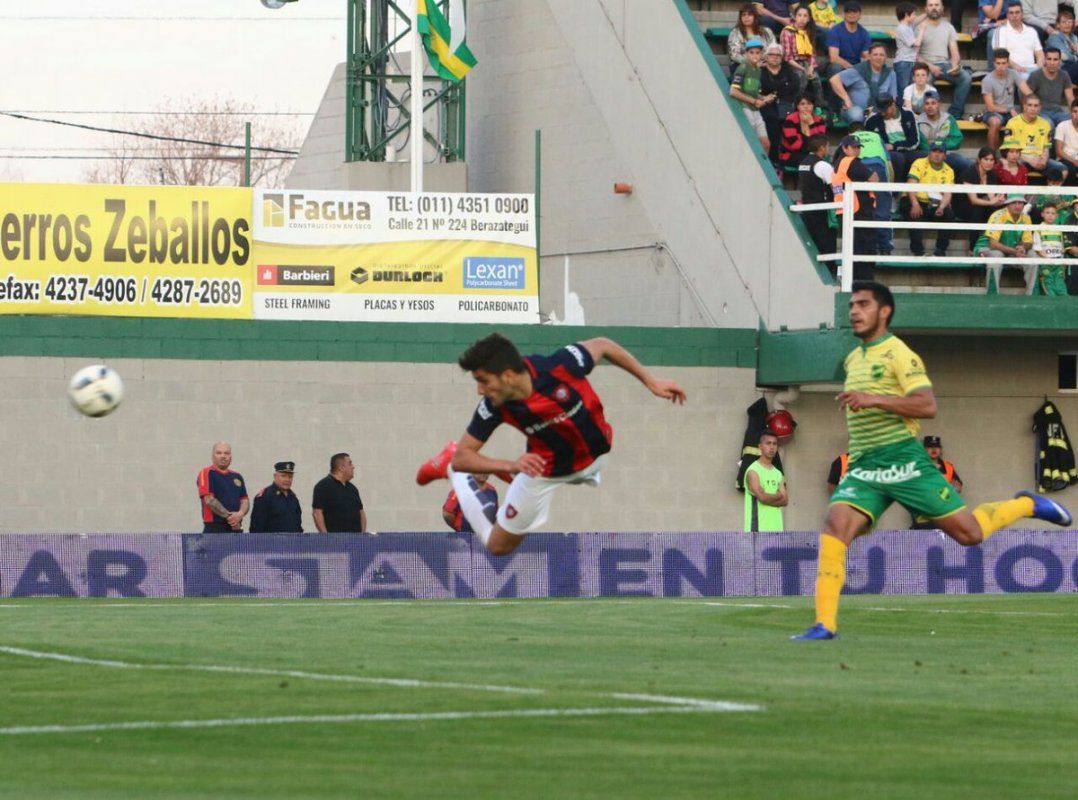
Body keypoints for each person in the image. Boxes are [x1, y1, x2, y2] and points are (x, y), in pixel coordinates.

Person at [792, 282, 1072, 640]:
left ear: (885, 311)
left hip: (904, 460)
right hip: (864, 464)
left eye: (863, 304)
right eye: (851, 305)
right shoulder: (853, 358)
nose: (854, 311)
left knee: (969, 534)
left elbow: (927, 406)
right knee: (834, 525)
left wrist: (873, 399)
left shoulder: (900, 354)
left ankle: (1025, 505)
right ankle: (824, 624)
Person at [415, 333, 686, 556]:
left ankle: (508, 474)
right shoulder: (493, 407)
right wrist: (509, 464)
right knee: (497, 547)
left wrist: (650, 381)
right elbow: (464, 457)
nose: (480, 390)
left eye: (483, 381)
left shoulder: (560, 366)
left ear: (508, 375)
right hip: (544, 470)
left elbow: (603, 345)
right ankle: (451, 471)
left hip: (593, 458)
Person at [915, 0, 973, 120]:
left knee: (965, 78)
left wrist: (955, 65)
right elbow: (914, 55)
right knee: (924, 81)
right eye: (930, 5)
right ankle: (926, 116)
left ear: (942, 8)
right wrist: (930, 67)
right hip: (924, 65)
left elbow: (954, 52)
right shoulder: (920, 27)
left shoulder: (949, 27)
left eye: (937, 5)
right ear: (926, 9)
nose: (934, 8)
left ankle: (954, 115)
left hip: (943, 64)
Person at [832, 134, 878, 278]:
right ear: (845, 148)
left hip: (844, 211)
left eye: (858, 147)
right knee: (864, 252)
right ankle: (865, 283)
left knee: (853, 251)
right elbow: (874, 178)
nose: (857, 150)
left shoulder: (837, 164)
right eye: (853, 147)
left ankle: (855, 282)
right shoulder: (851, 162)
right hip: (858, 211)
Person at [974, 193, 1035, 293]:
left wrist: (1023, 247)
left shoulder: (1026, 218)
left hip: (1011, 250)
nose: (1017, 206)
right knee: (997, 255)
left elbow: (1029, 242)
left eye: (1020, 203)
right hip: (987, 247)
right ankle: (993, 293)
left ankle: (1031, 294)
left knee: (1033, 255)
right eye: (1014, 203)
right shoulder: (998, 216)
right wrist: (1014, 251)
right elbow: (993, 244)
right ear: (1007, 204)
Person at [903, 144, 956, 257]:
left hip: (935, 202)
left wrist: (942, 207)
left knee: (949, 214)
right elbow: (911, 184)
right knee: (913, 212)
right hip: (915, 199)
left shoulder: (949, 170)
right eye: (934, 151)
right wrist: (915, 203)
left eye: (940, 152)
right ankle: (918, 251)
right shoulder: (919, 163)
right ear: (929, 153)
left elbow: (947, 193)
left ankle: (940, 250)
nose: (937, 154)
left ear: (945, 156)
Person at [829, 42, 898, 124]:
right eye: (875, 55)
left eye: (881, 55)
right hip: (856, 108)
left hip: (879, 109)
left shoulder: (890, 73)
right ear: (869, 56)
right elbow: (834, 80)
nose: (878, 57)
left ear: (886, 57)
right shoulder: (859, 70)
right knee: (857, 115)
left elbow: (893, 97)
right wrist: (846, 99)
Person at [954, 147, 1008, 251]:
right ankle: (972, 248)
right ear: (979, 160)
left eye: (991, 160)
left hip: (980, 204)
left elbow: (991, 198)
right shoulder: (969, 173)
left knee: (997, 211)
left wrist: (999, 201)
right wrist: (992, 202)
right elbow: (973, 200)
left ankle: (995, 244)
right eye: (986, 159)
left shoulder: (992, 174)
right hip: (962, 205)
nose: (989, 162)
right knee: (977, 211)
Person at [853, 126, 896, 255]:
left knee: (860, 210)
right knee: (882, 209)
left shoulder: (849, 138)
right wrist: (889, 189)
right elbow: (888, 163)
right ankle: (885, 248)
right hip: (877, 168)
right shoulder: (877, 137)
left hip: (857, 167)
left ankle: (862, 249)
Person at [1008, 94, 1069, 180]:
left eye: (1036, 105)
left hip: (1040, 158)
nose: (1033, 108)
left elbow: (1046, 148)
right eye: (1030, 105)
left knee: (1062, 169)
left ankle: (1050, 193)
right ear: (1024, 106)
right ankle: (1018, 193)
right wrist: (1030, 160)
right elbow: (1010, 151)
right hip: (1021, 158)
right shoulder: (1013, 122)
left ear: (1040, 107)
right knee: (1012, 167)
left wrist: (1044, 159)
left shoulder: (1045, 124)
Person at [730, 38, 776, 153]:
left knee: (766, 144)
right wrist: (754, 101)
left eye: (757, 52)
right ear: (746, 54)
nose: (755, 55)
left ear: (761, 54)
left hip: (755, 110)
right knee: (749, 144)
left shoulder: (758, 70)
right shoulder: (742, 67)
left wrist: (763, 98)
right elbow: (733, 91)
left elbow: (753, 91)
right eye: (751, 52)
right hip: (745, 108)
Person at [761, 43, 804, 161]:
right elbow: (762, 88)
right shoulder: (760, 71)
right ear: (765, 56)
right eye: (771, 54)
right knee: (772, 123)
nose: (775, 57)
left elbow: (794, 87)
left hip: (786, 104)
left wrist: (774, 93)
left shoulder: (788, 71)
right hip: (767, 107)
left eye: (778, 55)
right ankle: (774, 161)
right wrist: (779, 90)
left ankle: (787, 159)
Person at [910, 435, 963, 528]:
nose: (934, 449)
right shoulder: (918, 466)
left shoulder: (948, 466)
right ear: (924, 450)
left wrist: (953, 489)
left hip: (945, 511)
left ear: (940, 449)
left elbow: (958, 487)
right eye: (930, 447)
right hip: (924, 511)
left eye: (937, 446)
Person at [864, 94, 920, 181]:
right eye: (880, 110)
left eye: (885, 110)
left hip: (908, 150)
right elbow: (870, 143)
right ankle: (896, 192)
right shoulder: (872, 121)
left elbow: (914, 141)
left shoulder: (908, 114)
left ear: (893, 105)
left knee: (926, 156)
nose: (882, 113)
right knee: (898, 158)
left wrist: (894, 146)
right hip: (885, 153)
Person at [196, 441, 248, 533]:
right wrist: (231, 518)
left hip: (236, 528)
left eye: (226, 453)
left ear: (230, 457)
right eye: (219, 453)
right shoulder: (206, 473)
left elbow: (244, 500)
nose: (223, 456)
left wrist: (240, 514)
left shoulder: (237, 476)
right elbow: (209, 500)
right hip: (215, 528)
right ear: (213, 456)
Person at [798, 134, 837, 254]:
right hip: (822, 211)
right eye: (827, 146)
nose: (828, 149)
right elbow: (835, 187)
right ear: (821, 148)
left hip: (807, 209)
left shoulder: (803, 163)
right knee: (826, 247)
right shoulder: (823, 165)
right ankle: (829, 271)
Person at [1020, 48, 1075, 129]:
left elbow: (1070, 98)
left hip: (1058, 112)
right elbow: (1026, 97)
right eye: (1049, 59)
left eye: (1055, 59)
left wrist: (1074, 114)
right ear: (1044, 60)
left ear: (1060, 61)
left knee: (1069, 123)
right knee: (1049, 124)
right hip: (1040, 112)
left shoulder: (1064, 75)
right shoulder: (1036, 75)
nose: (1052, 62)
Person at [780, 6, 824, 105]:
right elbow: (787, 57)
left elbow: (812, 53)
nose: (802, 19)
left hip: (806, 62)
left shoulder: (808, 31)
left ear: (809, 19)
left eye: (805, 16)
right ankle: (795, 104)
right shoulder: (787, 31)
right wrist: (803, 69)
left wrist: (811, 67)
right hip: (792, 63)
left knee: (815, 78)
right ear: (794, 17)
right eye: (799, 15)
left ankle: (819, 104)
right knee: (801, 78)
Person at [915, 90, 968, 173]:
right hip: (926, 155)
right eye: (927, 103)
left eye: (933, 103)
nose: (930, 106)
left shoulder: (948, 119)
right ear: (923, 106)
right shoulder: (918, 122)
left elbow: (957, 139)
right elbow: (922, 144)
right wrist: (935, 149)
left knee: (965, 163)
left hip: (946, 154)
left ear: (939, 104)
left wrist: (941, 146)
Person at [312, 452, 366, 533]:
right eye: (350, 464)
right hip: (335, 541)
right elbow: (317, 513)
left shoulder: (352, 489)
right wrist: (326, 537)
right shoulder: (323, 486)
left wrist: (362, 535)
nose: (353, 467)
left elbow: (361, 512)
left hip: (355, 541)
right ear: (341, 467)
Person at [744, 431, 788, 532]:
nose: (772, 447)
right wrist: (778, 495)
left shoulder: (778, 473)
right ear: (760, 446)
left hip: (777, 530)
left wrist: (768, 497)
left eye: (774, 444)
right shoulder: (753, 471)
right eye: (768, 443)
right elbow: (762, 498)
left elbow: (785, 501)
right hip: (757, 531)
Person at [980, 49, 1022, 151]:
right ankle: (992, 155)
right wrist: (1008, 110)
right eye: (998, 63)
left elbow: (1026, 90)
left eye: (1004, 63)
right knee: (995, 122)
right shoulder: (987, 80)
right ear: (994, 63)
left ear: (1008, 63)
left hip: (1010, 111)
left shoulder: (1013, 74)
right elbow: (991, 107)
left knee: (1023, 120)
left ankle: (1019, 154)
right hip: (993, 112)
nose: (1001, 66)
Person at [249, 461, 303, 533]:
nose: (287, 480)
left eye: (290, 477)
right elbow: (256, 529)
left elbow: (297, 525)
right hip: (272, 543)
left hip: (292, 543)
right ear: (275, 476)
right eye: (283, 476)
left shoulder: (293, 498)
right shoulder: (265, 497)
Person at [995, 4, 1043, 82]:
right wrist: (1015, 66)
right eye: (1011, 13)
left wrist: (1040, 68)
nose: (1014, 15)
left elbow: (1039, 53)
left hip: (1031, 69)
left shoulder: (1031, 31)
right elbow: (1001, 55)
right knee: (1027, 78)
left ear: (1022, 14)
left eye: (1017, 12)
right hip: (1012, 70)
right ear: (1007, 15)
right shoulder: (1001, 31)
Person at [1032, 201, 1071, 294]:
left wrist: (1061, 261)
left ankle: (1063, 306)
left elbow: (1062, 246)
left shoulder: (1059, 229)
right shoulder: (1038, 229)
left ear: (1056, 215)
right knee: (1048, 287)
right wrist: (1047, 259)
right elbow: (1038, 248)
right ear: (1042, 214)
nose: (1050, 216)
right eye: (1047, 213)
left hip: (1058, 264)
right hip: (1046, 263)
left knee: (1060, 286)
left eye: (1053, 213)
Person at [826, 1, 872, 78]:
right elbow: (833, 58)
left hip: (855, 65)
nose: (852, 14)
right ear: (843, 14)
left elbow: (866, 54)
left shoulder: (864, 33)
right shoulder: (835, 30)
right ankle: (835, 90)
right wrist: (852, 68)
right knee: (835, 67)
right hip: (839, 65)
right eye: (848, 12)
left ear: (860, 15)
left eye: (855, 12)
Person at [780, 94, 827, 166]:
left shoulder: (819, 120)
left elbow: (820, 142)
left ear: (813, 106)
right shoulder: (790, 120)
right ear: (798, 106)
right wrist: (812, 147)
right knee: (811, 161)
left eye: (809, 103)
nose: (806, 106)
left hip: (813, 154)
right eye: (802, 104)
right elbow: (794, 144)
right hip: (791, 154)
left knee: (818, 161)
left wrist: (811, 123)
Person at [729, 4, 777, 74]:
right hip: (743, 64)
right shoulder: (735, 32)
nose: (746, 17)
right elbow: (734, 54)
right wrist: (753, 63)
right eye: (743, 15)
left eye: (750, 14)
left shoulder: (767, 31)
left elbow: (773, 49)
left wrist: (765, 62)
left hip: (765, 64)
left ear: (755, 16)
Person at [894, 2, 926, 99]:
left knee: (910, 90)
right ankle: (901, 112)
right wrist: (922, 30)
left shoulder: (908, 25)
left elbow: (916, 20)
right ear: (907, 15)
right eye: (914, 14)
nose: (915, 16)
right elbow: (916, 43)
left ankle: (907, 111)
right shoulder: (902, 29)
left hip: (909, 62)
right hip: (904, 63)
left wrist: (927, 13)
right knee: (903, 90)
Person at [1046, 8, 1078, 82]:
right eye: (1064, 22)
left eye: (1070, 22)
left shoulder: (1074, 37)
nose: (1067, 24)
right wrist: (1076, 56)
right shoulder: (1054, 37)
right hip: (1059, 69)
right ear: (1058, 24)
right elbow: (1064, 56)